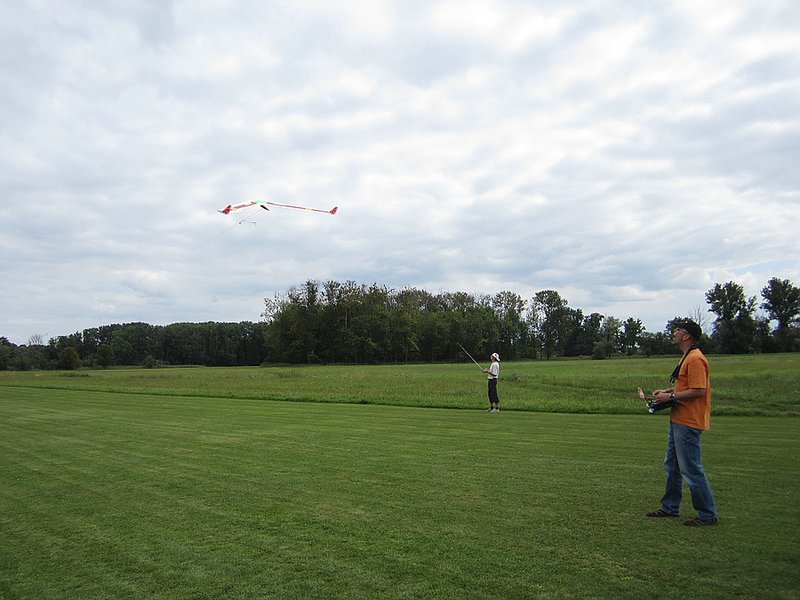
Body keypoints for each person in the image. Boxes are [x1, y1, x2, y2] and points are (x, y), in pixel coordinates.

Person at [646, 320, 718, 526]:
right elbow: (686, 387)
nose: (675, 332)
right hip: (679, 419)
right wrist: (667, 392)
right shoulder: (687, 357)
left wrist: (669, 398)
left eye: (678, 330)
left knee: (691, 469)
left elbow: (699, 390)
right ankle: (670, 507)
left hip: (688, 421)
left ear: (686, 336)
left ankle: (707, 514)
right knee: (673, 467)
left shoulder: (695, 359)